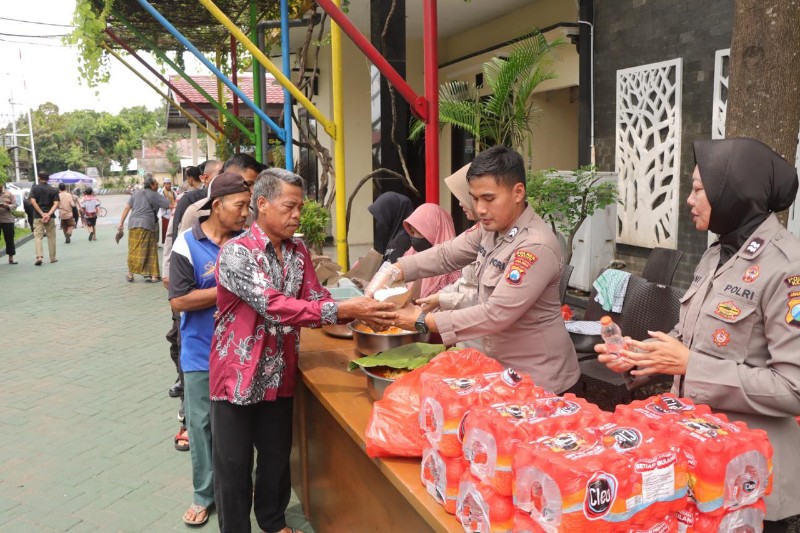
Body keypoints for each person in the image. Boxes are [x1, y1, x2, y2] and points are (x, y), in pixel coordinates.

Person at [595, 138, 800, 529]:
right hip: (695, 463)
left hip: (753, 483)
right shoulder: (717, 252)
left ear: (734, 190)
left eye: (699, 189)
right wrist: (642, 357)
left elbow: (794, 387)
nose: (689, 200)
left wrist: (691, 365)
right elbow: (690, 335)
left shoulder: (788, 268)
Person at [209, 168, 397, 533]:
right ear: (262, 205)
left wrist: (363, 311)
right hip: (238, 375)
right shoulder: (236, 253)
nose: (297, 215)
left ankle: (273, 520)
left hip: (279, 372)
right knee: (233, 467)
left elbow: (316, 299)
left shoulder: (298, 253)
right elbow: (273, 304)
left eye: (300, 207)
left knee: (277, 457)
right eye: (290, 206)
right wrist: (345, 310)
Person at [367, 146, 580, 395]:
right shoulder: (490, 229)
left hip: (539, 381)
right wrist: (395, 270)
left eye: (488, 199)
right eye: (475, 198)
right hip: (499, 372)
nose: (479, 209)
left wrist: (423, 320)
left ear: (518, 192)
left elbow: (495, 314)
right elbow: (446, 254)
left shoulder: (534, 245)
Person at [169, 172, 252, 526]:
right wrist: (228, 289)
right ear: (216, 206)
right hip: (200, 352)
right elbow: (179, 301)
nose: (245, 213)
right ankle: (203, 494)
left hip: (243, 352)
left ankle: (236, 492)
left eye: (248, 206)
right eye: (240, 206)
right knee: (201, 427)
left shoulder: (248, 241)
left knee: (238, 427)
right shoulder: (187, 244)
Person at [117, 174, 171, 282]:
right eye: (156, 184)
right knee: (150, 249)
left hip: (132, 225)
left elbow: (126, 209)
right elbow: (170, 205)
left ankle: (130, 274)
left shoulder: (135, 194)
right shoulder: (155, 195)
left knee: (133, 249)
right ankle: (154, 276)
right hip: (147, 225)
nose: (158, 185)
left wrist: (121, 224)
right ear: (152, 185)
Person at [402, 203, 461, 299]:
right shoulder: (410, 254)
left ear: (435, 230)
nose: (414, 237)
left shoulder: (455, 270)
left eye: (420, 232)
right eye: (412, 232)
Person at [368, 191, 415, 263]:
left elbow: (391, 270)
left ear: (392, 213)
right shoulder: (396, 237)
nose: (379, 223)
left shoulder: (403, 240)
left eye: (382, 217)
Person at [28, 171, 60, 266]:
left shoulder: (35, 189)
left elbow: (33, 202)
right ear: (48, 179)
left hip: (38, 216)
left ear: (38, 178)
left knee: (38, 237)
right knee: (51, 237)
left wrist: (42, 214)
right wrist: (48, 214)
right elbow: (56, 204)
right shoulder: (53, 190)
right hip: (50, 217)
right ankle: (52, 258)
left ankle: (39, 257)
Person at [0, 182, 18, 264]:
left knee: (9, 239)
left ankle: (11, 257)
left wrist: (7, 206)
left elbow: (15, 204)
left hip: (8, 220)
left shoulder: (9, 193)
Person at [160, 177, 176, 244]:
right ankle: (166, 243)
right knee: (166, 231)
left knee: (172, 230)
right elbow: (160, 203)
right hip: (165, 215)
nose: (168, 185)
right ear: (164, 184)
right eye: (167, 184)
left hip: (172, 213)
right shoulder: (161, 193)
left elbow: (176, 200)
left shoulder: (173, 192)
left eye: (169, 184)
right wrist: (168, 206)